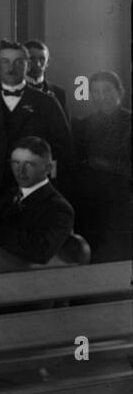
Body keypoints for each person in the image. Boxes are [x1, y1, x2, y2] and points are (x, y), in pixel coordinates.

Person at [0, 39, 72, 229]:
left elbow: (64, 152)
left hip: (33, 193)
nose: (11, 68)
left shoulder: (46, 103)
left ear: (27, 65)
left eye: (18, 62)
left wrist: (54, 193)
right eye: (5, 62)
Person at [0, 137, 76, 264]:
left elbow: (40, 252)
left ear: (48, 168)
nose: (20, 170)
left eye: (29, 164)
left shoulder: (59, 208)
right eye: (16, 163)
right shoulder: (11, 194)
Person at [71, 70, 132, 262]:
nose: (101, 97)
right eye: (95, 92)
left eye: (107, 90)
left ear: (120, 92)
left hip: (122, 203)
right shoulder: (84, 124)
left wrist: (100, 163)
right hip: (91, 205)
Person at [23, 39, 70, 121]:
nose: (37, 64)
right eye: (32, 58)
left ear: (47, 62)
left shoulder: (59, 94)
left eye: (42, 59)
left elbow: (64, 131)